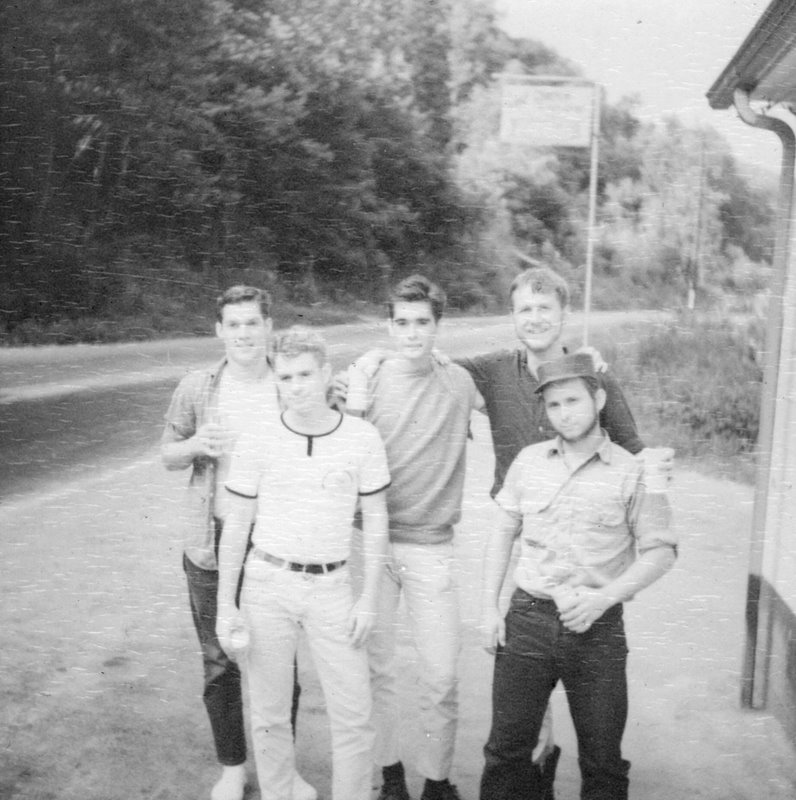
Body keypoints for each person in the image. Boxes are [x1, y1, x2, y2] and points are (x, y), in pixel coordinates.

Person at [456, 266, 652, 797]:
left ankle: (543, 767)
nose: (535, 318)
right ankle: (535, 776)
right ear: (513, 317)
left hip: (587, 559)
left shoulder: (596, 375)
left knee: (599, 743)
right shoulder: (494, 368)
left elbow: (635, 457)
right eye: (525, 309)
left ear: (564, 315)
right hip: (524, 532)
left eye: (545, 308)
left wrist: (655, 475)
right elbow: (429, 367)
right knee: (518, 725)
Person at [478, 352, 677, 800]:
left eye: (573, 400)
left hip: (597, 630)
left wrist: (603, 599)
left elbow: (661, 552)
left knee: (603, 761)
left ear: (599, 398)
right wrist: (489, 608)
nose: (564, 414)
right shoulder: (529, 462)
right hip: (527, 622)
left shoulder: (631, 471)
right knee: (506, 753)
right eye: (554, 405)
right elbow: (501, 533)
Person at [216, 327, 390, 800]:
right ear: (277, 380)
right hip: (267, 584)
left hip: (333, 588)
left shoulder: (361, 437)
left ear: (327, 373)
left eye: (306, 374)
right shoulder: (258, 438)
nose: (297, 386)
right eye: (287, 376)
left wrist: (369, 600)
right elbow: (236, 526)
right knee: (270, 715)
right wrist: (225, 607)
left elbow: (376, 522)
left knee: (353, 715)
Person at [160, 286, 314, 800]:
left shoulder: (288, 382)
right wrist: (195, 445)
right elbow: (168, 453)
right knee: (219, 660)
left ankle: (282, 769)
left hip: (274, 541)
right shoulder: (199, 387)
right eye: (234, 325)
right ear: (219, 331)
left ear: (268, 327)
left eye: (253, 323)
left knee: (279, 660)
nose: (244, 334)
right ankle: (233, 766)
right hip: (212, 538)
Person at [345, 275, 485, 800]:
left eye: (422, 322)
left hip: (432, 546)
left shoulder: (459, 382)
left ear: (437, 326)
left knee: (442, 673)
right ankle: (391, 774)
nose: (411, 333)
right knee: (376, 667)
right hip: (372, 543)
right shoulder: (367, 378)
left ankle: (438, 778)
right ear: (388, 325)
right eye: (401, 322)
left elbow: (524, 393)